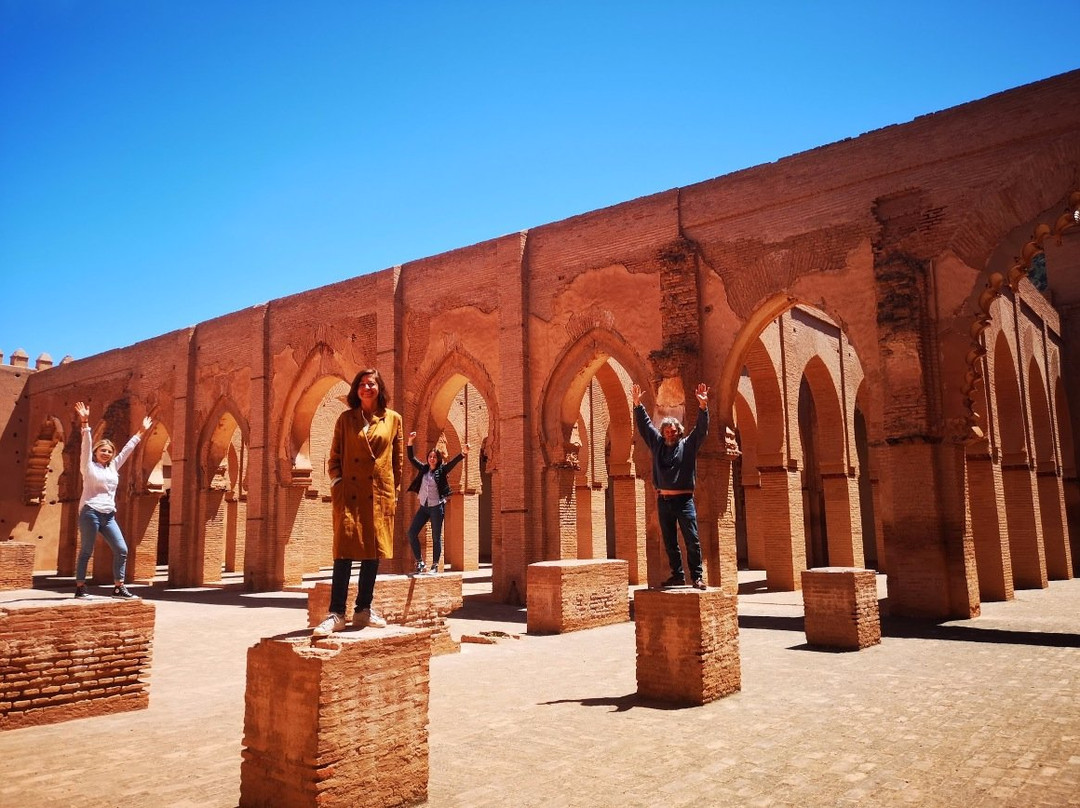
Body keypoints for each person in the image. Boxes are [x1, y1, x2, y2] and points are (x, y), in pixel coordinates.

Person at [313, 368, 404, 637]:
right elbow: (334, 457)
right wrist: (337, 483)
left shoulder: (393, 419)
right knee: (344, 551)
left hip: (378, 492)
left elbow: (397, 460)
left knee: (372, 552)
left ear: (380, 389)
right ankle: (336, 613)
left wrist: (392, 489)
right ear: (356, 390)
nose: (367, 388)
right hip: (350, 492)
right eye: (362, 384)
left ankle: (363, 609)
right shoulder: (345, 419)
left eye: (372, 384)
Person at [631, 382, 710, 590]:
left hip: (684, 501)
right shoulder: (657, 445)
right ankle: (677, 575)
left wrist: (703, 407)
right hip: (664, 501)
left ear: (679, 432)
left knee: (692, 539)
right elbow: (646, 427)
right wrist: (638, 405)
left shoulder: (688, 446)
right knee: (669, 542)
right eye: (666, 431)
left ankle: (697, 576)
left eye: (673, 431)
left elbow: (701, 431)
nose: (669, 434)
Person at [73, 401, 153, 599]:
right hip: (90, 512)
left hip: (108, 515)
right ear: (96, 453)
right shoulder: (88, 467)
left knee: (122, 549)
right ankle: (80, 587)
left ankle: (119, 587)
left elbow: (127, 450)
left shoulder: (113, 467)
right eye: (103, 450)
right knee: (86, 551)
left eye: (109, 451)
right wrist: (85, 423)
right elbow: (86, 446)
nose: (106, 453)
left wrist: (141, 432)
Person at [405, 433, 469, 574]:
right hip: (424, 507)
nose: (432, 459)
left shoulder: (442, 469)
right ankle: (420, 562)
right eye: (430, 457)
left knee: (436, 537)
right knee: (411, 533)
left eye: (434, 457)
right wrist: (410, 441)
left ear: (438, 459)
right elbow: (411, 458)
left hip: (436, 507)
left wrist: (462, 453)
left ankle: (434, 565)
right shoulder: (423, 469)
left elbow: (453, 463)